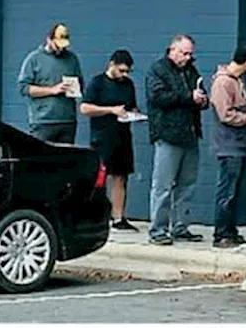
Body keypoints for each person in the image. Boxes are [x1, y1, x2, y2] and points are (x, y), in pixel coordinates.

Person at [146, 35, 209, 246]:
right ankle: (158, 228)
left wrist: (202, 100)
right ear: (172, 50)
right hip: (168, 133)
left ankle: (181, 226)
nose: (188, 57)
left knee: (187, 184)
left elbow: (199, 91)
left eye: (190, 53)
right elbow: (158, 97)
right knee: (163, 185)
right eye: (184, 53)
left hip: (190, 133)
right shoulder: (158, 70)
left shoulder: (191, 70)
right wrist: (188, 97)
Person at [210, 43, 246, 249]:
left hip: (239, 143)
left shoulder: (237, 80)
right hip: (228, 144)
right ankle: (221, 233)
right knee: (227, 190)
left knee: (234, 190)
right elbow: (225, 114)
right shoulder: (223, 83)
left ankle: (231, 230)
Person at [80, 50, 139, 231]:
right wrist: (111, 110)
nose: (124, 75)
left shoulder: (128, 84)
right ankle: (94, 215)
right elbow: (85, 108)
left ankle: (118, 217)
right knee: (100, 177)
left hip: (123, 135)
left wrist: (133, 113)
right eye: (121, 70)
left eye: (127, 71)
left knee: (121, 176)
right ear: (111, 65)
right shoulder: (98, 82)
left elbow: (131, 105)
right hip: (102, 136)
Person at [17, 23, 82, 144]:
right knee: (42, 160)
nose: (61, 49)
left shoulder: (72, 59)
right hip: (43, 122)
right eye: (58, 46)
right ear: (49, 39)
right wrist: (53, 90)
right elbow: (23, 88)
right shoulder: (34, 59)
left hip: (68, 121)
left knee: (66, 160)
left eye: (64, 46)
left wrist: (74, 89)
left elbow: (80, 84)